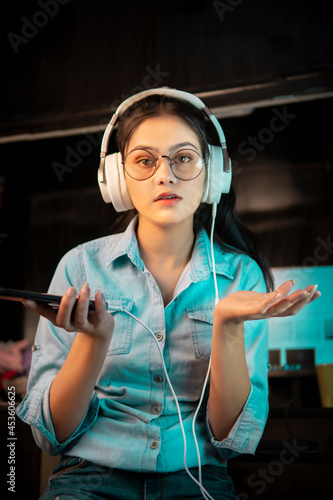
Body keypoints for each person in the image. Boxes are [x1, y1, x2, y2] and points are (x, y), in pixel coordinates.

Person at [17, 88, 320, 500]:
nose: (165, 175)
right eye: (144, 160)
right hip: (89, 480)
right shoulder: (80, 268)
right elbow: (52, 436)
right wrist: (94, 339)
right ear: (118, 179)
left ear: (212, 172)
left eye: (184, 158)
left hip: (198, 481)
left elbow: (229, 439)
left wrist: (227, 324)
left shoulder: (240, 275)